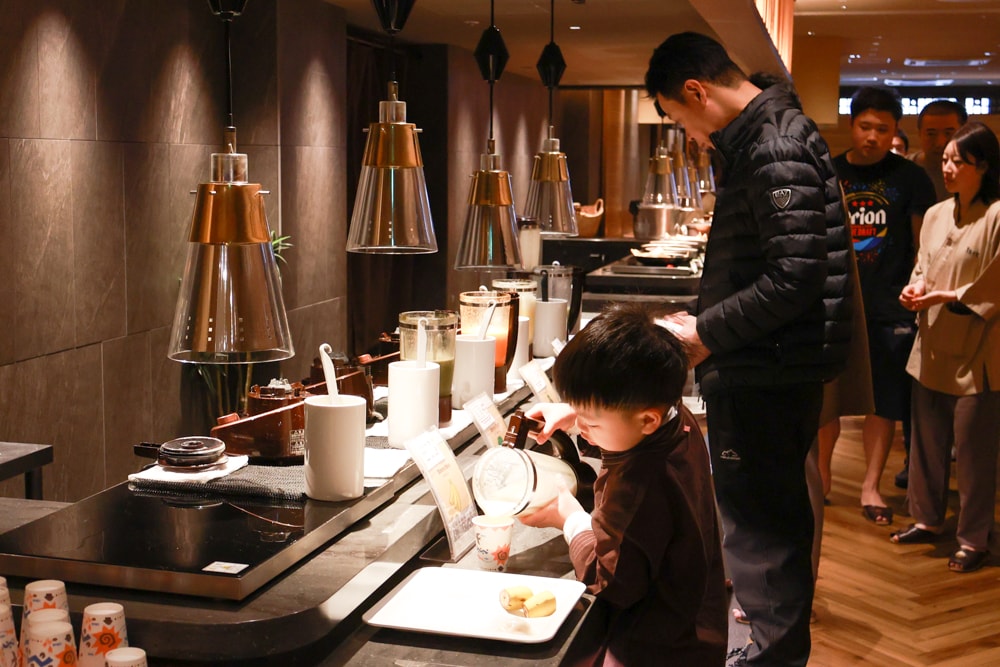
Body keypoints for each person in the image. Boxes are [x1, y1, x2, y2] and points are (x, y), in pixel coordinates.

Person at [644, 32, 853, 666]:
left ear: (695, 92)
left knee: (763, 536)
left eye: (682, 120)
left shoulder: (771, 143)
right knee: (772, 528)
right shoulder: (770, 133)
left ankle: (770, 655)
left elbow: (794, 278)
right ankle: (771, 648)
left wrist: (704, 333)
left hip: (767, 372)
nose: (691, 136)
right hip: (772, 364)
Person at [519, 302, 728, 666]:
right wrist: (579, 414)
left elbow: (611, 580)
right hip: (695, 622)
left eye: (592, 421)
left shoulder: (638, 483)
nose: (584, 427)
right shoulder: (672, 417)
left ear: (647, 419)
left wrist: (569, 518)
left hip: (656, 646)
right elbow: (623, 424)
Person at [821, 86, 936, 525]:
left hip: (890, 307)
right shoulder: (828, 173)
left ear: (895, 132)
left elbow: (923, 242)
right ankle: (824, 478)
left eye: (883, 129)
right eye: (865, 126)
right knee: (828, 398)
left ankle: (871, 485)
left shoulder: (910, 178)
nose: (872, 136)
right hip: (837, 303)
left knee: (884, 402)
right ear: (852, 125)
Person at [892, 121, 1000, 574]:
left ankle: (974, 537)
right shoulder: (936, 213)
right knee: (926, 442)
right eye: (945, 160)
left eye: (959, 161)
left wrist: (950, 297)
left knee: (974, 452)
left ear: (984, 167)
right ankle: (928, 519)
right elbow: (923, 265)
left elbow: (993, 284)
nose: (949, 167)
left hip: (979, 347)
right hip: (932, 340)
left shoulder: (997, 215)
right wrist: (914, 289)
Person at [907, 99, 969, 201]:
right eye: (931, 134)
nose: (940, 143)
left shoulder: (978, 172)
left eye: (948, 133)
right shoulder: (904, 170)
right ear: (919, 134)